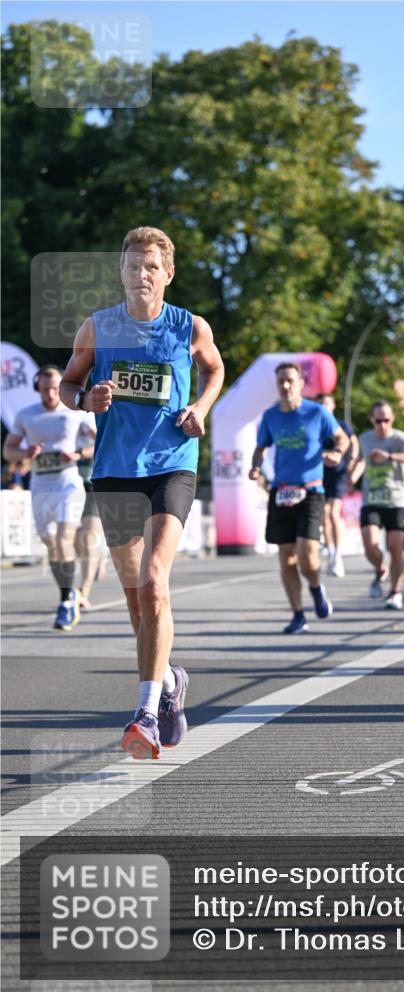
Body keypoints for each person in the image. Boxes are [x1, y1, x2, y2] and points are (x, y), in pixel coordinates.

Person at [59, 225, 225, 760]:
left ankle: (146, 714)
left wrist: (199, 409)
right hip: (113, 470)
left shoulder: (189, 326)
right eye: (133, 266)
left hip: (171, 466)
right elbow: (66, 384)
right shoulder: (98, 327)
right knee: (137, 603)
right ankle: (170, 679)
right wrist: (87, 398)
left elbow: (215, 369)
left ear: (168, 273)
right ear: (122, 272)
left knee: (155, 583)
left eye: (152, 266)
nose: (142, 275)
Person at [249, 362, 349, 635]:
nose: (285, 385)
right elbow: (261, 447)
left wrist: (338, 454)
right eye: (281, 380)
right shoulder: (270, 416)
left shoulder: (317, 413)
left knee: (307, 553)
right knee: (286, 557)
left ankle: (316, 588)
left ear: (301, 383)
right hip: (282, 491)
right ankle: (298, 614)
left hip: (311, 490)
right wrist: (256, 466)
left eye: (290, 380)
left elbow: (342, 439)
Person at [3, 366, 91, 630]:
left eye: (55, 388)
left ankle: (66, 600)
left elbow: (99, 442)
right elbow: (8, 450)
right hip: (41, 483)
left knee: (64, 538)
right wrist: (24, 452)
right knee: (49, 542)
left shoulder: (75, 412)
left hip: (68, 481)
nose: (51, 393)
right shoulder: (26, 415)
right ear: (37, 388)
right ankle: (69, 591)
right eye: (45, 389)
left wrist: (77, 454)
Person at [352, 400, 404, 609]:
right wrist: (351, 478)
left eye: (386, 420)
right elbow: (360, 461)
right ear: (372, 420)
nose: (382, 424)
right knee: (370, 544)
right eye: (378, 420)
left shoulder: (400, 438)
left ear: (392, 419)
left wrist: (390, 456)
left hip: (396, 500)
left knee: (395, 547)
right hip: (371, 499)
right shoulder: (365, 439)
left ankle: (395, 592)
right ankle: (380, 568)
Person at [317, 393, 358, 578]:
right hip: (320, 474)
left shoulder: (341, 425)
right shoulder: (316, 425)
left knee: (333, 512)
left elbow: (353, 443)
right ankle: (331, 550)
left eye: (327, 402)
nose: (324, 406)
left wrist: (351, 463)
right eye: (321, 403)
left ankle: (338, 554)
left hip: (338, 474)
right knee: (324, 514)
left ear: (333, 405)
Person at [73, 415, 103, 609]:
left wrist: (80, 453)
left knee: (89, 536)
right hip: (70, 487)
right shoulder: (53, 419)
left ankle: (83, 591)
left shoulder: (90, 416)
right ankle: (98, 557)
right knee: (77, 540)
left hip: (94, 484)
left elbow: (104, 443)